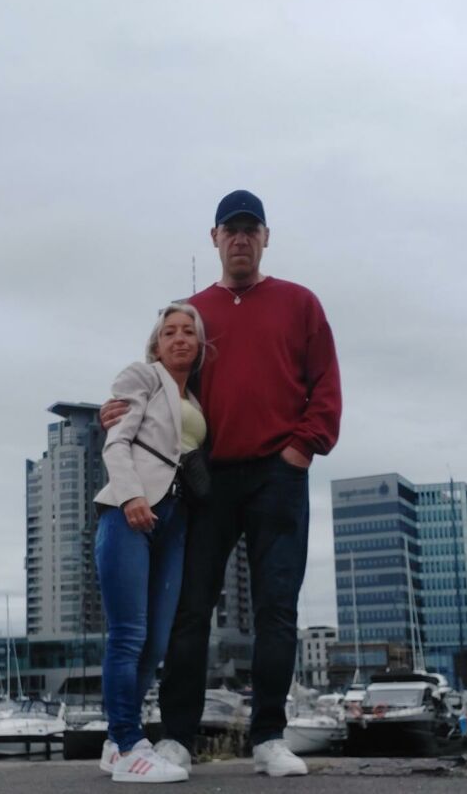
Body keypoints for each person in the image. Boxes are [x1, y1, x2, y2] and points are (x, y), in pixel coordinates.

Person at [101, 189, 342, 778]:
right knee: (191, 609)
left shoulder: (299, 302)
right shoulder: (196, 312)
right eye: (229, 230)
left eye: (250, 229)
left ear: (265, 238)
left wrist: (302, 448)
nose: (240, 238)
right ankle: (178, 737)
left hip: (279, 474)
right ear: (214, 239)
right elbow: (166, 383)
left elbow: (326, 384)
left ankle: (269, 738)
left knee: (276, 608)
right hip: (206, 479)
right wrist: (118, 409)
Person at [93, 303, 207, 783]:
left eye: (189, 332)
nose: (179, 338)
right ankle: (128, 743)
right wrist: (131, 496)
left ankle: (114, 744)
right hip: (131, 512)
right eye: (169, 332)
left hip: (176, 521)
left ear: (200, 344)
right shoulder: (142, 376)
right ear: (156, 345)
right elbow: (117, 441)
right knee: (129, 634)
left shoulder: (196, 397)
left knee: (156, 641)